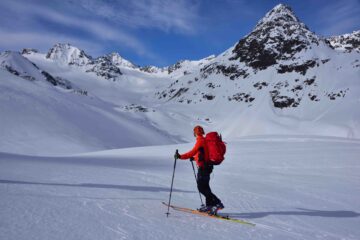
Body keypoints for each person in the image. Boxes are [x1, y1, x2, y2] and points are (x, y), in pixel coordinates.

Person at [175, 125, 224, 214]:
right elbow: (204, 153)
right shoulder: (204, 140)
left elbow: (192, 152)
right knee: (206, 187)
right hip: (207, 167)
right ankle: (209, 206)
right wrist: (195, 158)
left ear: (195, 133)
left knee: (201, 188)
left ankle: (217, 203)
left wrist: (180, 156)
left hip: (203, 168)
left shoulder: (200, 141)